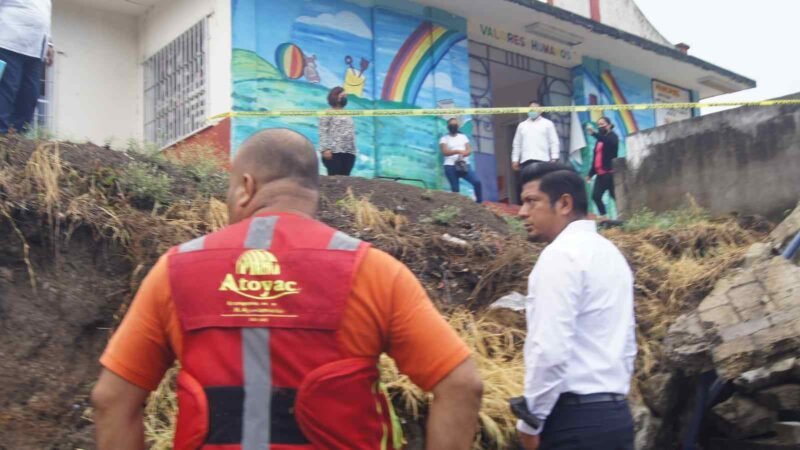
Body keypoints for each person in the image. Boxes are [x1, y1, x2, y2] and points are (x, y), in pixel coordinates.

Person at [90, 128, 483, 450]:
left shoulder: (175, 270)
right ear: (312, 191)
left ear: (246, 186)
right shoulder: (374, 271)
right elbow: (461, 384)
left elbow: (111, 401)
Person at [513, 162, 636, 450]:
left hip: (573, 424)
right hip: (616, 418)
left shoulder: (559, 256)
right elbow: (628, 345)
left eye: (532, 201)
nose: (522, 212)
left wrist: (531, 421)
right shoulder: (610, 254)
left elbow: (550, 351)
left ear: (564, 203)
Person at [0, 0, 53, 134]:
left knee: (30, 97)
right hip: (8, 45)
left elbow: (44, 16)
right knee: (6, 92)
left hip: (35, 52)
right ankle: (1, 135)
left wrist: (50, 44)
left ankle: (15, 139)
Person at [511, 101, 560, 204]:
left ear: (541, 110)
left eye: (535, 109)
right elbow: (517, 144)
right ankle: (523, 207)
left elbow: (554, 142)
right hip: (526, 160)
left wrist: (554, 157)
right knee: (524, 185)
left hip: (542, 159)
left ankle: (544, 205)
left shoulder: (547, 124)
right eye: (530, 109)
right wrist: (515, 160)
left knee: (543, 184)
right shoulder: (522, 125)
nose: (532, 111)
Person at [439, 118, 483, 203]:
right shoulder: (444, 139)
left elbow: (469, 149)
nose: (454, 126)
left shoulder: (463, 137)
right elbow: (445, 152)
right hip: (450, 166)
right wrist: (457, 151)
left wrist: (464, 154)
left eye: (455, 125)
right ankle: (457, 208)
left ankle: (479, 203)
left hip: (464, 164)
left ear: (458, 126)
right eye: (451, 125)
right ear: (448, 127)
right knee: (455, 190)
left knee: (477, 182)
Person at [319, 86, 357, 176]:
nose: (345, 98)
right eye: (342, 96)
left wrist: (353, 151)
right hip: (334, 152)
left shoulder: (348, 113)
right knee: (334, 179)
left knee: (346, 179)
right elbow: (323, 131)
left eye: (345, 96)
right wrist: (325, 149)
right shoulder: (327, 113)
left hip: (349, 152)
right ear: (335, 97)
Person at [586, 117, 619, 219]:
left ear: (609, 125)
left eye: (602, 124)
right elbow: (596, 158)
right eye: (599, 124)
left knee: (616, 197)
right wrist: (590, 174)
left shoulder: (613, 137)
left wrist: (594, 134)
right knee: (596, 196)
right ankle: (604, 218)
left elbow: (608, 142)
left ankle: (626, 215)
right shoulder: (599, 141)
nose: (600, 126)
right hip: (600, 174)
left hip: (609, 173)